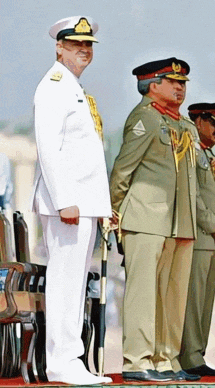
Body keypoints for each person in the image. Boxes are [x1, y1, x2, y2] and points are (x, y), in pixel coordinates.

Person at [31, 16, 112, 385]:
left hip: (83, 205)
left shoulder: (73, 87)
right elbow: (49, 149)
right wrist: (65, 200)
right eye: (76, 43)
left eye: (89, 44)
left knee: (76, 283)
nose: (84, 49)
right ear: (59, 47)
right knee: (65, 283)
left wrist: (101, 206)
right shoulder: (54, 86)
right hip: (68, 205)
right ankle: (62, 362)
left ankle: (70, 359)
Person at [109, 58, 200, 382]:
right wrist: (117, 216)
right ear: (151, 85)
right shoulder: (145, 119)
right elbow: (123, 170)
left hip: (179, 222)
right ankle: (137, 361)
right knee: (143, 296)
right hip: (145, 218)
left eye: (183, 82)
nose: (180, 87)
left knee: (172, 299)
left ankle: (165, 360)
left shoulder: (182, 125)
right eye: (171, 81)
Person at [179, 102, 215, 376]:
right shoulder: (190, 152)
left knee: (205, 302)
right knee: (194, 301)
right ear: (197, 121)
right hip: (199, 236)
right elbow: (195, 198)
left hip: (213, 239)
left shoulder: (208, 154)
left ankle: (198, 354)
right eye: (212, 123)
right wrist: (214, 226)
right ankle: (189, 357)